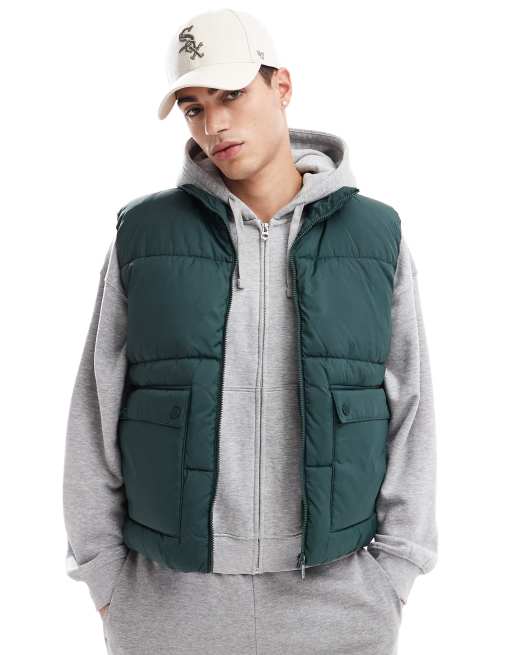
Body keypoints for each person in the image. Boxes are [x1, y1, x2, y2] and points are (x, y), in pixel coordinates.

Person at [63, 8, 438, 655]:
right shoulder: (144, 236)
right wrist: (105, 577)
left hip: (339, 602)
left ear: (281, 86)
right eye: (194, 107)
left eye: (230, 94)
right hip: (168, 604)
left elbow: (412, 409)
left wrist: (395, 572)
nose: (214, 124)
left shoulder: (374, 237)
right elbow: (94, 410)